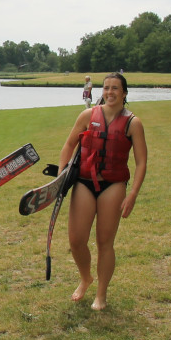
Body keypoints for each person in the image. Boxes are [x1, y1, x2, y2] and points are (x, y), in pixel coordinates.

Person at [58, 73, 147, 310]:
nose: (110, 92)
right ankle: (86, 277)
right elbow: (69, 145)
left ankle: (101, 294)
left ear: (124, 93)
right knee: (76, 240)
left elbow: (141, 163)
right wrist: (61, 176)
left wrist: (133, 195)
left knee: (104, 242)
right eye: (106, 88)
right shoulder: (88, 115)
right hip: (84, 183)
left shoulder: (133, 123)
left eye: (115, 88)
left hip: (113, 186)